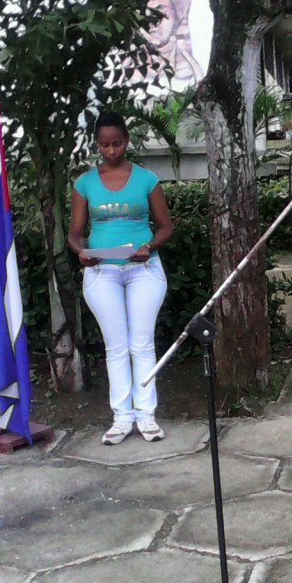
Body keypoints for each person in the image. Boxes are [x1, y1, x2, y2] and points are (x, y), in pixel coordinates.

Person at [68, 111, 174, 446]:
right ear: (97, 144)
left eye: (116, 143)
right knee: (115, 347)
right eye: (104, 145)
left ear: (126, 141)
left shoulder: (146, 179)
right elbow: (75, 234)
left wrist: (149, 247)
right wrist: (81, 252)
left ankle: (146, 416)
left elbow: (166, 227)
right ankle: (122, 418)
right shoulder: (85, 183)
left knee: (141, 344)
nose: (111, 150)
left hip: (144, 269)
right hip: (102, 271)